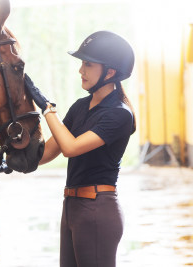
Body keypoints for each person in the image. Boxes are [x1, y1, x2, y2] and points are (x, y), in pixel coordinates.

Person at [24, 30, 136, 267]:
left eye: (88, 64)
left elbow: (70, 148)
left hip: (96, 208)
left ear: (110, 72)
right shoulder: (80, 107)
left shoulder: (119, 114)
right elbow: (48, 152)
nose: (80, 70)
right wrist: (10, 157)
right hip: (72, 207)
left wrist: (47, 108)